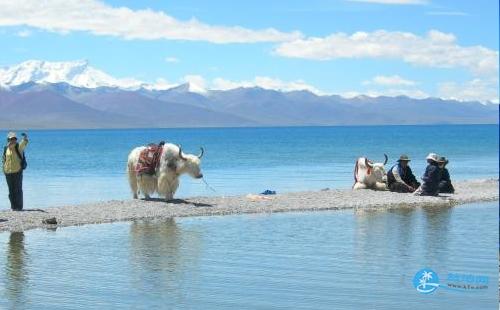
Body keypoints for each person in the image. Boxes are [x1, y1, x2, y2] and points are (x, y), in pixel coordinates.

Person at [3, 132, 28, 211]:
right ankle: (13, 207)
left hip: (17, 171)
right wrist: (3, 168)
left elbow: (24, 142)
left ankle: (19, 207)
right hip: (8, 172)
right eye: (11, 139)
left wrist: (25, 137)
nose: (13, 140)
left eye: (14, 139)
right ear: (8, 140)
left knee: (18, 189)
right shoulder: (5, 148)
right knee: (11, 190)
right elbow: (4, 159)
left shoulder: (18, 147)